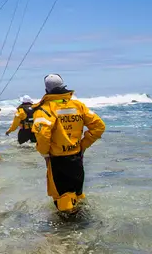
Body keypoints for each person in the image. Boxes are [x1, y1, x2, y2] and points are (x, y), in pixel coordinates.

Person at [31, 74, 105, 214]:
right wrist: (83, 145)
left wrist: (45, 153)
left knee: (62, 199)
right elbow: (99, 127)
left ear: (46, 90)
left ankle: (67, 233)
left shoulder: (45, 109)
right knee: (77, 195)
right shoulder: (78, 105)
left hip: (58, 161)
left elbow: (42, 134)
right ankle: (85, 228)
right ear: (63, 86)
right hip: (77, 158)